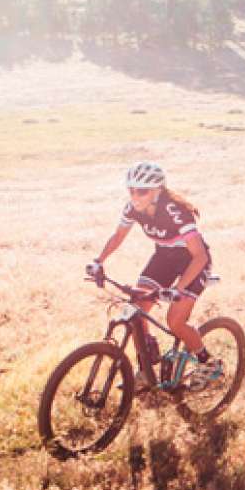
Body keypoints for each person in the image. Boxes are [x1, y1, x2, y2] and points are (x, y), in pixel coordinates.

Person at [86, 162, 215, 389]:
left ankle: (209, 363)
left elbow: (200, 256)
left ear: (157, 190)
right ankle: (146, 369)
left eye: (142, 191)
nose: (135, 196)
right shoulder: (132, 208)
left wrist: (177, 288)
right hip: (164, 258)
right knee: (135, 309)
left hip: (193, 263)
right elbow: (117, 237)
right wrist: (98, 261)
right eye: (131, 190)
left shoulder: (175, 212)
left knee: (175, 321)